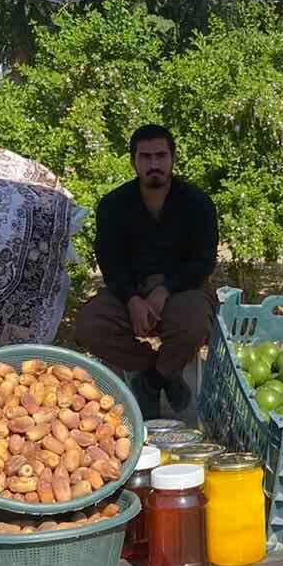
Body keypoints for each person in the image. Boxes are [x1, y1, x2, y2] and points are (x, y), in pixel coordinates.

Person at [77, 125, 219, 419]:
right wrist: (132, 299)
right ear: (134, 161)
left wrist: (165, 291)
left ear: (173, 159)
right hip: (130, 292)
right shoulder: (113, 205)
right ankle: (152, 369)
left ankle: (155, 380)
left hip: (183, 290)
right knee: (90, 325)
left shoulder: (198, 203)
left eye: (160, 156)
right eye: (146, 157)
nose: (154, 164)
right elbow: (109, 261)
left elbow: (203, 262)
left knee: (194, 322)